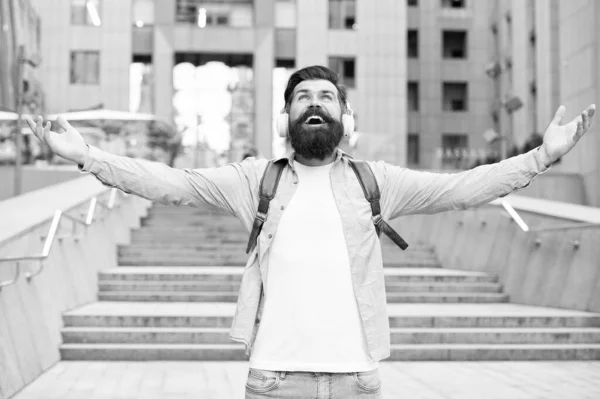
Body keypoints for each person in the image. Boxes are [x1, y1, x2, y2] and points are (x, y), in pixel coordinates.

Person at [26, 65, 595, 399]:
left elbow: (461, 188)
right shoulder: (256, 181)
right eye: (302, 98)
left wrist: (540, 157)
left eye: (326, 97)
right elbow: (169, 182)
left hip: (357, 380)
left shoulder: (378, 182)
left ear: (344, 116)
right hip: (274, 381)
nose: (314, 104)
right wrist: (88, 156)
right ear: (287, 119)